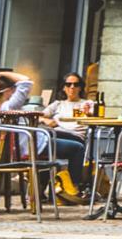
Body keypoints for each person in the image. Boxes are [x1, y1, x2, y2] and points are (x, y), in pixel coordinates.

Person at [39, 72, 90, 203]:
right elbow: (38, 115)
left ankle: (72, 186)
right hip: (55, 134)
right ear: (64, 87)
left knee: (45, 140)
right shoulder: (57, 104)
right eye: (68, 84)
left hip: (75, 136)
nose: (72, 87)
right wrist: (46, 121)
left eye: (76, 84)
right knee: (42, 138)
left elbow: (96, 115)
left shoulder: (86, 104)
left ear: (80, 87)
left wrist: (88, 113)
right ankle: (39, 188)